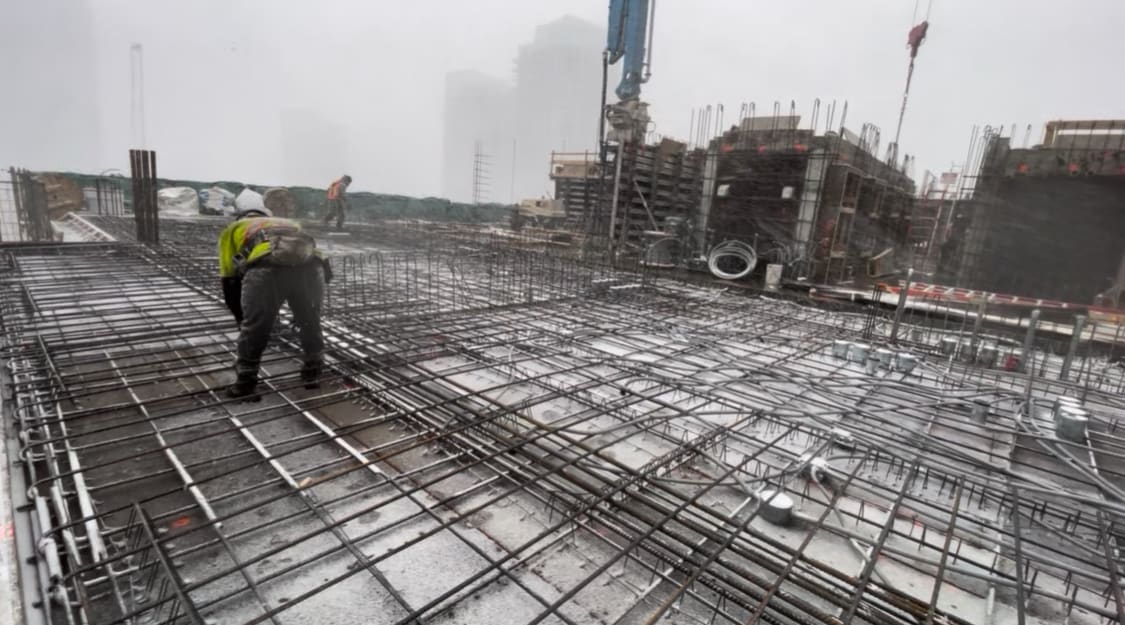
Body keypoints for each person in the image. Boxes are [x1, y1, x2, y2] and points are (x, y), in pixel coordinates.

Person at [218, 206, 331, 399]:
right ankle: (313, 373)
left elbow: (229, 277)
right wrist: (308, 304)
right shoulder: (289, 223)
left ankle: (245, 383)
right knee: (309, 321)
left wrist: (243, 317)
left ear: (242, 218)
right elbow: (310, 252)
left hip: (266, 266)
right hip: (313, 267)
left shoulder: (234, 228)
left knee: (256, 327)